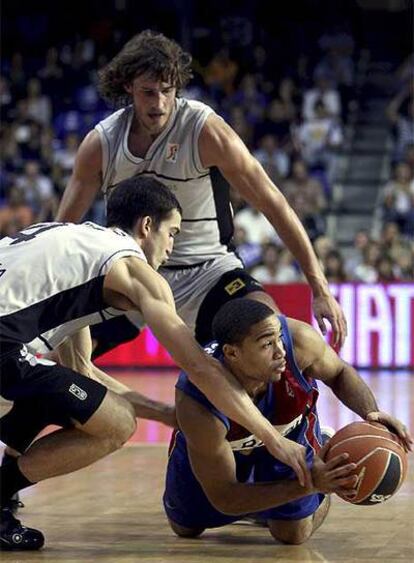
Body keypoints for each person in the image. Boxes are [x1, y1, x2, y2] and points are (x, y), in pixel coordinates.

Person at [0, 178, 309, 551]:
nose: (172, 247)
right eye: (173, 233)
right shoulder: (131, 266)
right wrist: (272, 438)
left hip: (10, 344)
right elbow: (200, 367)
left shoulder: (71, 245)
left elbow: (81, 371)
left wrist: (164, 414)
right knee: (117, 424)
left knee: (52, 388)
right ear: (147, 226)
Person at [55, 29, 347, 354]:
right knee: (59, 361)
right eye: (148, 93)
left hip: (207, 270)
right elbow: (61, 231)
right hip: (133, 272)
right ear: (128, 87)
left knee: (267, 335)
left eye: (167, 91)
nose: (159, 104)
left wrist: (319, 287)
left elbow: (274, 204)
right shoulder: (102, 144)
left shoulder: (205, 131)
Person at [163, 299, 412, 544]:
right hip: (223, 450)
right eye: (267, 344)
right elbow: (224, 496)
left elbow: (339, 372)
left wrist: (371, 413)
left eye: (279, 338)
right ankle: (263, 500)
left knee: (292, 533)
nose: (281, 350)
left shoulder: (300, 341)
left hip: (289, 435)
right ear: (232, 353)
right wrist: (308, 484)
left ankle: (316, 452)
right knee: (187, 526)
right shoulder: (196, 403)